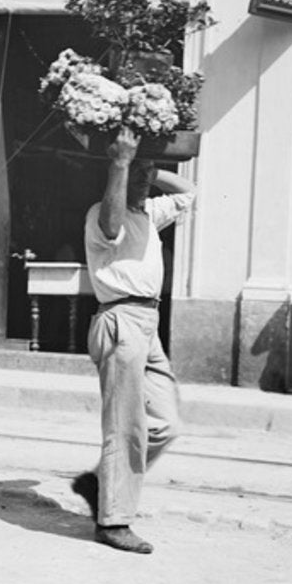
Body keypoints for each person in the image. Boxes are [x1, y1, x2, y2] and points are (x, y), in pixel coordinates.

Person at [71, 126, 196, 554]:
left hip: (149, 324)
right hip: (120, 320)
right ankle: (113, 521)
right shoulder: (105, 214)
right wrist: (123, 165)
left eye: (147, 175)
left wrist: (150, 165)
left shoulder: (148, 213)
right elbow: (109, 225)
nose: (143, 181)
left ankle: (102, 485)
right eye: (136, 175)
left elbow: (189, 193)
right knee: (125, 427)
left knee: (165, 424)